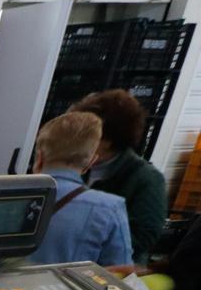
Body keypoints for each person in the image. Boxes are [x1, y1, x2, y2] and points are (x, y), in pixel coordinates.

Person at [72, 88, 169, 264]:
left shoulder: (147, 179)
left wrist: (86, 241)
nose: (77, 140)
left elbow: (144, 235)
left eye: (86, 135)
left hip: (111, 269)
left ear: (108, 140)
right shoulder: (75, 166)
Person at [25, 112, 132, 268]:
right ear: (90, 163)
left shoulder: (7, 196)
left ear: (39, 157)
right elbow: (120, 273)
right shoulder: (109, 208)